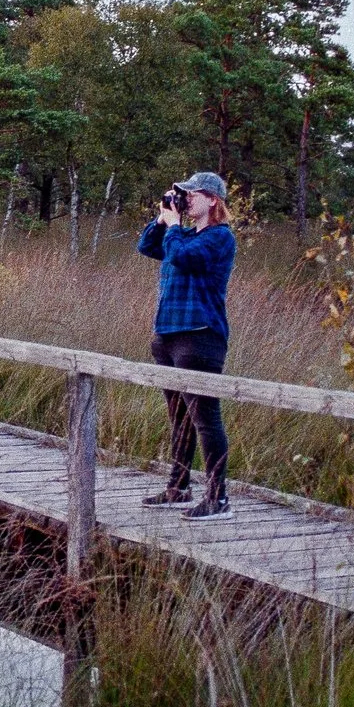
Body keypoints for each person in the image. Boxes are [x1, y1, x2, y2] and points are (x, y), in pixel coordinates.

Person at [137, 170, 237, 520]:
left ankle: (218, 497)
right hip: (167, 334)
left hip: (200, 335)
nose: (186, 198)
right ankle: (178, 486)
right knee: (179, 417)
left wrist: (175, 224)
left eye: (192, 194)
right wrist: (163, 217)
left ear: (212, 199)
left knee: (205, 419)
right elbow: (148, 246)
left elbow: (184, 257)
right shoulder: (180, 235)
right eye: (183, 194)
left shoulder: (218, 238)